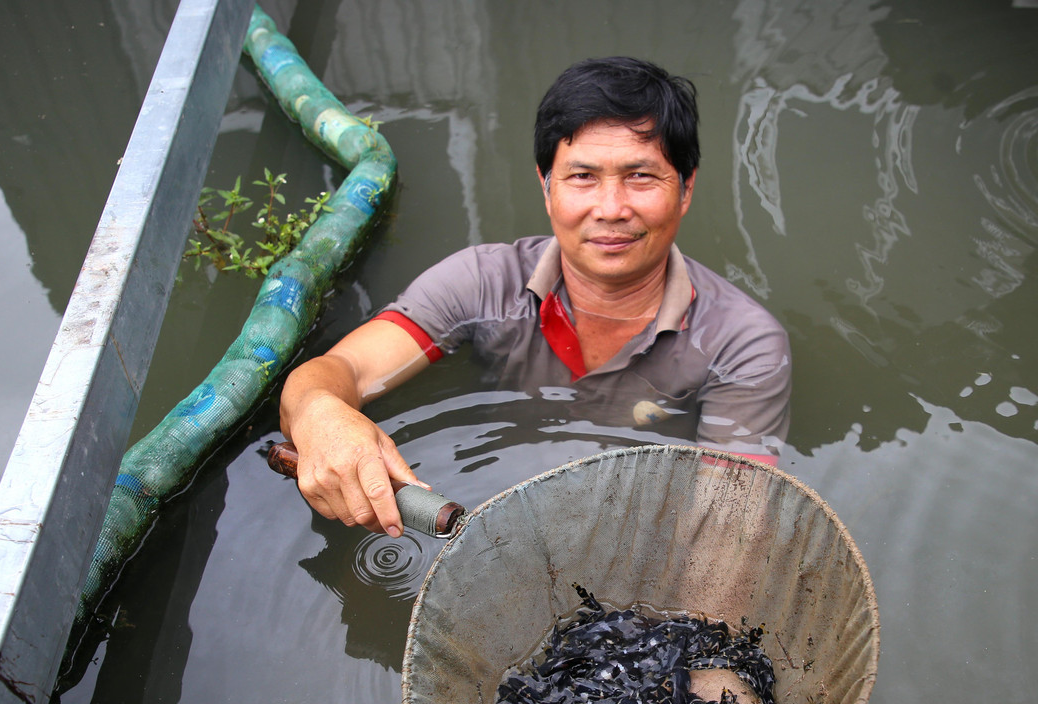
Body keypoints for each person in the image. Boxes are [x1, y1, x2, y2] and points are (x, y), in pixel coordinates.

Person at [279, 57, 791, 538]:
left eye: (640, 176)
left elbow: (729, 524)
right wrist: (320, 413)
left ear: (685, 188)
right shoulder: (480, 283)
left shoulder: (742, 344)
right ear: (546, 187)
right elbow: (339, 370)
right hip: (493, 497)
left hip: (642, 532)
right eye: (582, 177)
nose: (611, 208)